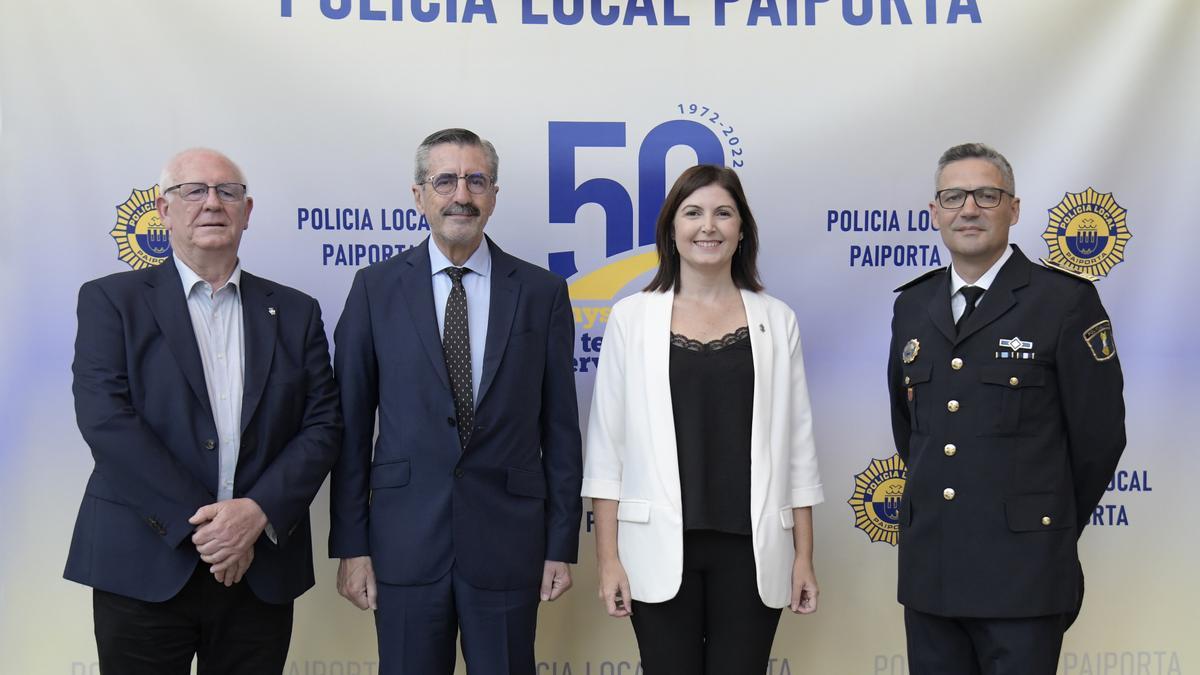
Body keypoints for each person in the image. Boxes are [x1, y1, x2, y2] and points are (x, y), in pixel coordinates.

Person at [66, 148, 342, 674]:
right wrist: (212, 531)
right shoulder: (111, 301)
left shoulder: (297, 311)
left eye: (227, 192)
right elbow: (105, 419)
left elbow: (323, 424)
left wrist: (255, 513)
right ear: (165, 212)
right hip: (143, 564)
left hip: (259, 569)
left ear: (247, 210)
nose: (212, 203)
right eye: (194, 191)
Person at [329, 128, 583, 675]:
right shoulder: (374, 288)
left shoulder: (541, 293)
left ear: (494, 195)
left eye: (476, 180)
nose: (460, 194)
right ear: (419, 194)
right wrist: (352, 546)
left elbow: (560, 428)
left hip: (510, 542)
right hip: (403, 545)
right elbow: (350, 429)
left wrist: (561, 542)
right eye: (444, 180)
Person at [888, 142, 1126, 674]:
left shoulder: (1063, 302)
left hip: (1024, 574)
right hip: (932, 571)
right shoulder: (912, 306)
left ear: (1014, 209)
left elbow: (1098, 439)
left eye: (986, 195)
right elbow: (912, 432)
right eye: (953, 197)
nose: (968, 209)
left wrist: (1041, 528)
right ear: (935, 213)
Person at [582, 164, 824, 674]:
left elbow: (799, 450)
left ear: (741, 230)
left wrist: (804, 556)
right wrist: (609, 562)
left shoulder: (776, 320)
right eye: (693, 213)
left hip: (754, 551)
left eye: (723, 213)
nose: (707, 226)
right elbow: (607, 450)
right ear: (672, 229)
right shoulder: (632, 317)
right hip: (655, 549)